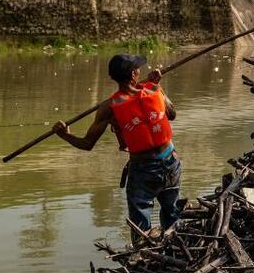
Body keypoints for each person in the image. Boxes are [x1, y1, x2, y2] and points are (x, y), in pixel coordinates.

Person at [52, 54, 181, 242]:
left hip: (144, 169)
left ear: (113, 78)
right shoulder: (154, 90)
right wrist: (157, 86)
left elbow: (87, 144)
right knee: (172, 214)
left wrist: (65, 135)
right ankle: (175, 246)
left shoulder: (109, 107)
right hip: (171, 162)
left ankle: (143, 257)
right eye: (138, 68)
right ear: (135, 73)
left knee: (140, 228)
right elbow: (172, 113)